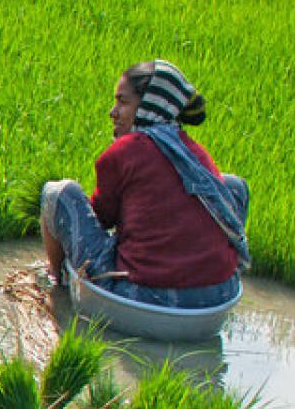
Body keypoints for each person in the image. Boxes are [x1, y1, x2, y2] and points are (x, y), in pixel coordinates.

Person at [40, 60, 247, 308]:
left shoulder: (124, 151)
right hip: (217, 300)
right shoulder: (193, 152)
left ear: (148, 106)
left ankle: (57, 282)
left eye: (123, 102)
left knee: (58, 193)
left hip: (141, 300)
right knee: (233, 185)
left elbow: (102, 219)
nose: (113, 112)